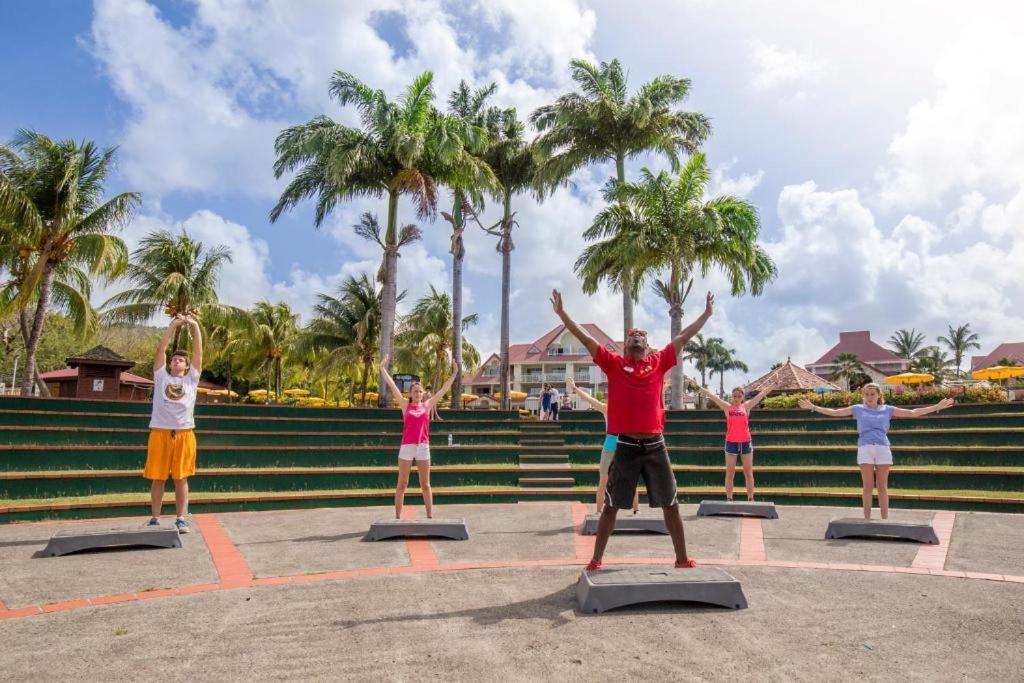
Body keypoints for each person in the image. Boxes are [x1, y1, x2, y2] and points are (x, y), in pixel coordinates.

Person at [552, 288, 714, 571]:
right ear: (625, 345)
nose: (636, 337)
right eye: (631, 336)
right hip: (625, 446)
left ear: (648, 346)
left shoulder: (659, 361)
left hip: (655, 446)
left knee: (671, 504)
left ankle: (681, 560)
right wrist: (563, 314)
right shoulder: (614, 364)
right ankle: (596, 560)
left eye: (641, 336)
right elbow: (586, 338)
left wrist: (706, 314)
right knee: (612, 506)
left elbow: (684, 336)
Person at [799, 384, 954, 519]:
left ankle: (884, 519)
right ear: (863, 396)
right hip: (865, 448)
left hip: (882, 448)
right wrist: (813, 407)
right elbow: (834, 412)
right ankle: (867, 519)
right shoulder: (857, 409)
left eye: (872, 394)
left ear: (879, 395)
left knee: (882, 487)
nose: (869, 397)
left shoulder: (888, 409)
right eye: (866, 394)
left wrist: (936, 407)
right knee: (867, 487)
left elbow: (912, 413)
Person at [380, 354, 459, 519]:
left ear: (423, 393)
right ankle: (397, 517)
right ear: (410, 394)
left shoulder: (427, 405)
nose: (417, 393)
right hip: (406, 447)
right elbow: (393, 386)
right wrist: (382, 369)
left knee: (426, 484)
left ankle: (430, 516)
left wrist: (454, 374)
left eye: (419, 391)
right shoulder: (404, 405)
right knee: (402, 484)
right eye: (414, 391)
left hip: (423, 447)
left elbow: (444, 389)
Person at [144, 314, 203, 533]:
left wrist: (195, 326)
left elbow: (198, 353)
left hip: (184, 433)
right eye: (174, 359)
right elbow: (160, 350)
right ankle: (155, 519)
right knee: (158, 477)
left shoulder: (191, 379)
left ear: (187, 366)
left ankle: (180, 519)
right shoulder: (161, 377)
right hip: (160, 431)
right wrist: (173, 325)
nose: (176, 361)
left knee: (181, 478)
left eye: (180, 360)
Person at [689, 373, 778, 502]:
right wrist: (698, 386)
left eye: (739, 396)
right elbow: (712, 396)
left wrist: (774, 385)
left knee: (748, 472)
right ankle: (729, 498)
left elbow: (760, 396)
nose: (736, 398)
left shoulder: (746, 407)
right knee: (730, 473)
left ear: (743, 397)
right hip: (731, 443)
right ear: (732, 396)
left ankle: (751, 498)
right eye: (734, 396)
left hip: (746, 443)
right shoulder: (727, 407)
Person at [567, 377, 638, 514]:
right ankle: (598, 512)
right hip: (610, 448)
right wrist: (575, 389)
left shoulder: (630, 410)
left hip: (625, 449)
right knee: (603, 482)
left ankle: (636, 510)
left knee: (631, 482)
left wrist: (662, 388)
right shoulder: (607, 409)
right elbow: (590, 399)